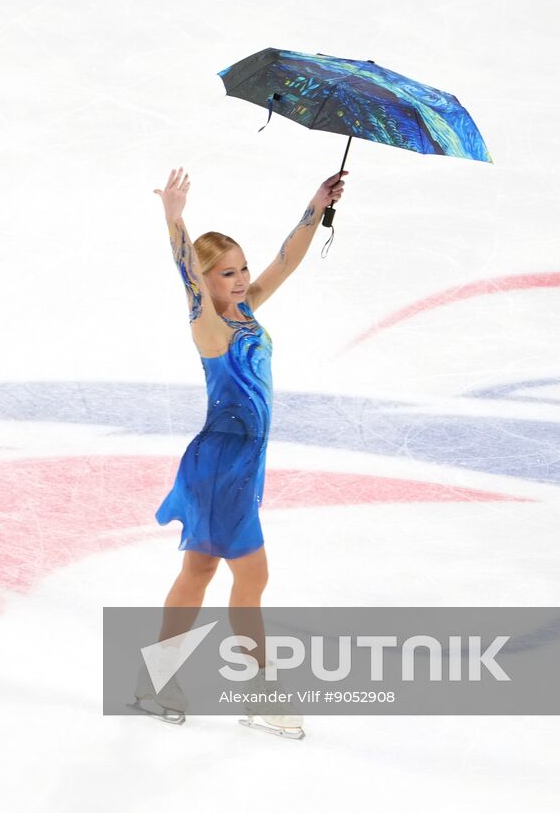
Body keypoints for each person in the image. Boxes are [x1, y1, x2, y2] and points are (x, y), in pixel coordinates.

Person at [132, 166, 345, 736]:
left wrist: (316, 204)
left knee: (200, 571)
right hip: (222, 465)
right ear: (206, 278)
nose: (241, 278)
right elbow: (186, 275)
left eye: (241, 268)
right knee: (251, 579)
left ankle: (153, 684)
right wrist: (174, 219)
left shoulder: (246, 310)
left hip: (238, 464)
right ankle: (261, 695)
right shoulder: (209, 327)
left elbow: (287, 259)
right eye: (226, 273)